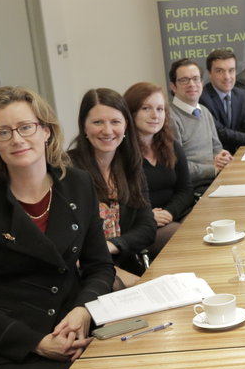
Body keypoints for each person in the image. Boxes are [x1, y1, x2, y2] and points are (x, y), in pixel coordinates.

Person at [0, 86, 114, 369]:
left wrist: (83, 310)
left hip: (71, 332)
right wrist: (37, 343)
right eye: (3, 132)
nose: (17, 139)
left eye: (26, 127)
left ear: (46, 131)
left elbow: (100, 266)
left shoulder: (78, 184)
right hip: (4, 353)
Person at [67, 88, 156, 289]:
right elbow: (70, 242)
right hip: (84, 270)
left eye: (115, 122)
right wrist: (102, 255)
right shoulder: (68, 170)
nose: (107, 131)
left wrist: (113, 245)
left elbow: (147, 227)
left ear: (126, 126)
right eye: (98, 122)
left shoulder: (131, 166)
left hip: (122, 260)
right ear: (84, 126)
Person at [124, 82, 194, 258]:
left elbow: (186, 190)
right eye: (146, 108)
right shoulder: (122, 152)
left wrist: (169, 212)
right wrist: (147, 216)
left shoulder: (171, 146)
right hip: (143, 225)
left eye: (160, 109)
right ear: (131, 112)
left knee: (206, 227)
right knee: (183, 237)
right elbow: (123, 200)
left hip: (174, 215)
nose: (155, 115)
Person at [166, 58, 233, 194]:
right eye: (184, 80)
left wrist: (222, 156)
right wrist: (213, 169)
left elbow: (216, 148)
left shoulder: (205, 111)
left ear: (202, 83)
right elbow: (177, 167)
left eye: (196, 79)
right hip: (192, 188)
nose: (192, 84)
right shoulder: (170, 118)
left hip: (214, 179)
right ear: (173, 86)